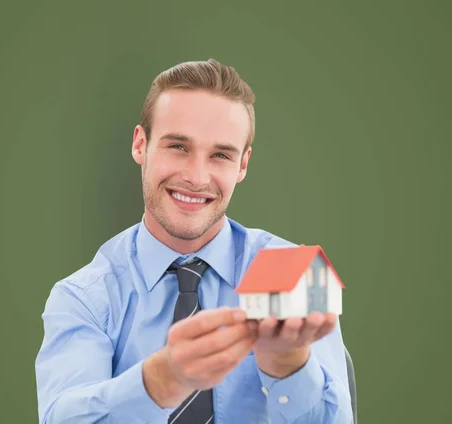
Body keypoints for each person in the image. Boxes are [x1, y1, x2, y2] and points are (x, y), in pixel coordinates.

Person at [35, 59, 353, 424]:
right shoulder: (84, 298)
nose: (197, 177)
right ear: (141, 144)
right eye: (178, 147)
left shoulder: (297, 272)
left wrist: (288, 366)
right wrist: (162, 380)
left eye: (220, 155)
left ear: (243, 165)